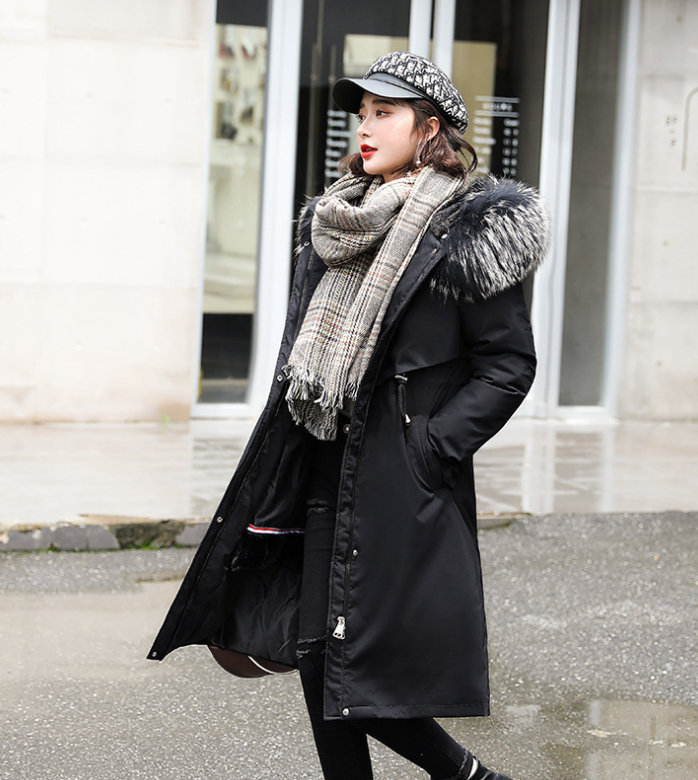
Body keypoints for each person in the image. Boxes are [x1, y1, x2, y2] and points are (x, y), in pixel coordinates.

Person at [149, 51, 550, 780]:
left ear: (430, 128)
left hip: (398, 477)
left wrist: (431, 447)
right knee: (317, 654)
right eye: (362, 113)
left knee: (353, 664)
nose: (365, 127)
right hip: (318, 463)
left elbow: (507, 367)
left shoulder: (469, 230)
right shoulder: (339, 221)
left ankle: (468, 775)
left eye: (384, 113)